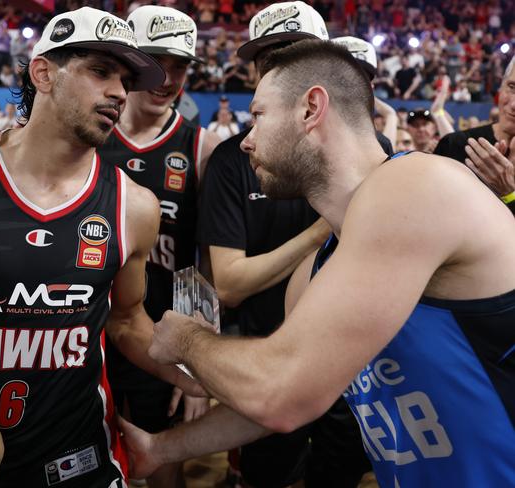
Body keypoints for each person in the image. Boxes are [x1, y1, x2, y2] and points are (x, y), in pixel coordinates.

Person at [126, 40, 515, 487]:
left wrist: (187, 340)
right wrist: (159, 450)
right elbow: (285, 397)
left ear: (311, 108)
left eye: (258, 116)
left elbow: (280, 395)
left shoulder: (417, 183)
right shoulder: (315, 271)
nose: (247, 141)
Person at [0, 7, 201, 488]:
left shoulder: (134, 207)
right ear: (43, 72)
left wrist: (199, 374)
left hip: (81, 461)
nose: (119, 91)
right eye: (100, 71)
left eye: (123, 78)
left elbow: (126, 321)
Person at [197, 4, 369, 488]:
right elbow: (229, 283)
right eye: (268, 58)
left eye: (293, 56)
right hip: (265, 356)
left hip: (356, 368)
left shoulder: (367, 154)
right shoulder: (235, 157)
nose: (278, 69)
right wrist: (323, 231)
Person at [99, 6, 221, 488]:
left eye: (181, 65)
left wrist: (198, 365)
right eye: (155, 61)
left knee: (164, 454)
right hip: (89, 327)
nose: (167, 77)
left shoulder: (201, 146)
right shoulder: (89, 134)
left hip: (163, 335)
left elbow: (207, 267)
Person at [434, 56, 515, 215]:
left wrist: (510, 193)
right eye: (512, 87)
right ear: (500, 87)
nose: (513, 105)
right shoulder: (455, 145)